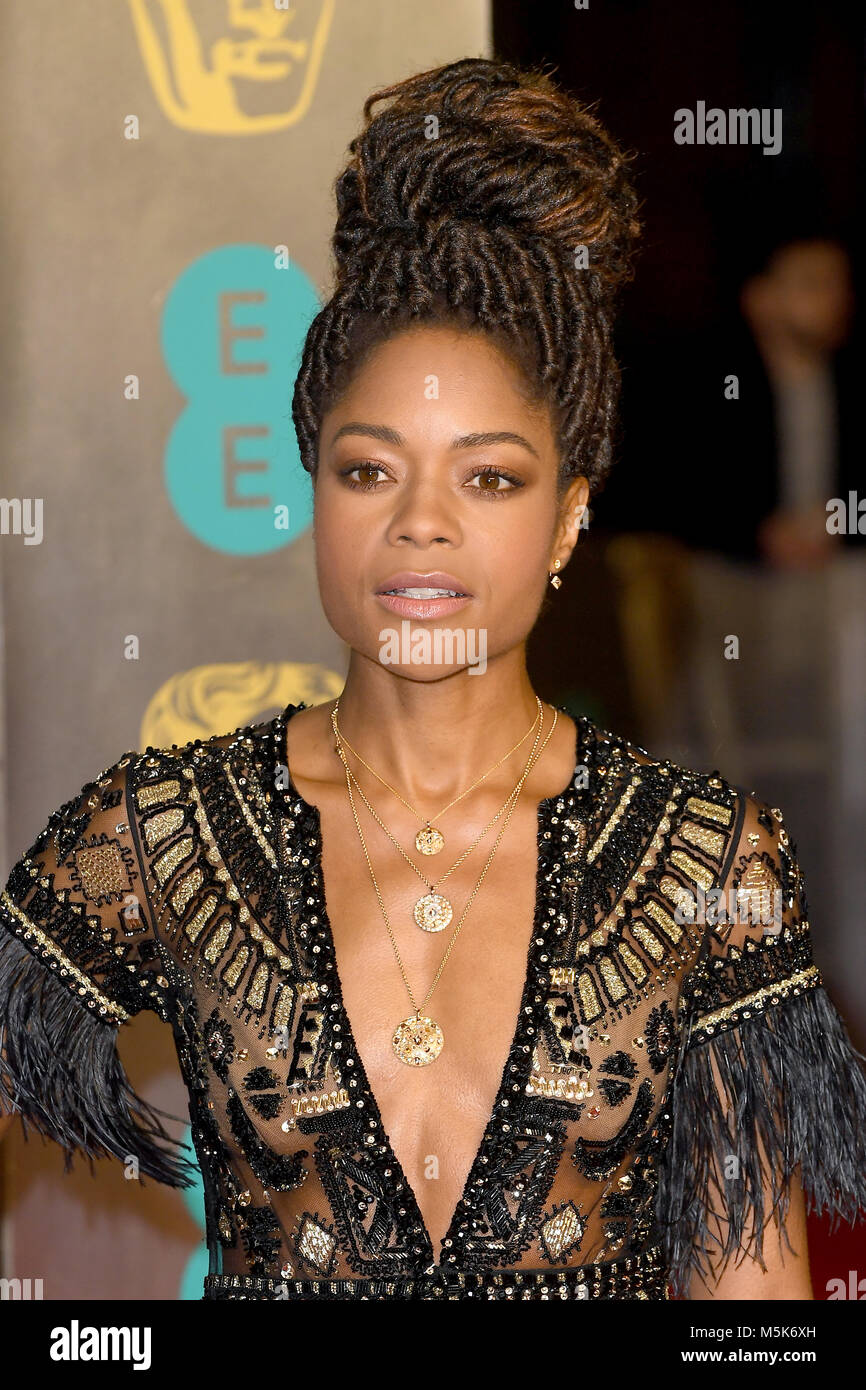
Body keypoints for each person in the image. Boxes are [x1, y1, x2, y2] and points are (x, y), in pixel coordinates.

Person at [2, 57, 865, 1303]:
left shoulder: (701, 864)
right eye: (368, 470)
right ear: (311, 489)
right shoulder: (162, 832)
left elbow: (752, 1315)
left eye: (489, 477)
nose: (421, 525)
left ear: (568, 518)